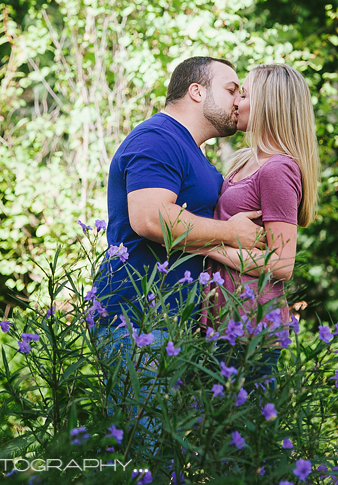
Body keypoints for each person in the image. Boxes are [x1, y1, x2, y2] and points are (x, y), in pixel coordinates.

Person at [95, 56, 266, 326]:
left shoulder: (191, 151)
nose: (238, 101)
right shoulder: (157, 138)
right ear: (197, 91)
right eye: (231, 90)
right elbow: (151, 218)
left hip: (175, 321)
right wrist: (231, 233)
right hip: (136, 321)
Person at [199, 63, 319, 334]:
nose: (236, 102)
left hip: (251, 323)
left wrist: (205, 246)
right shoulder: (245, 161)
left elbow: (282, 264)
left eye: (244, 95)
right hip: (222, 315)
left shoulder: (278, 169)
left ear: (267, 105)